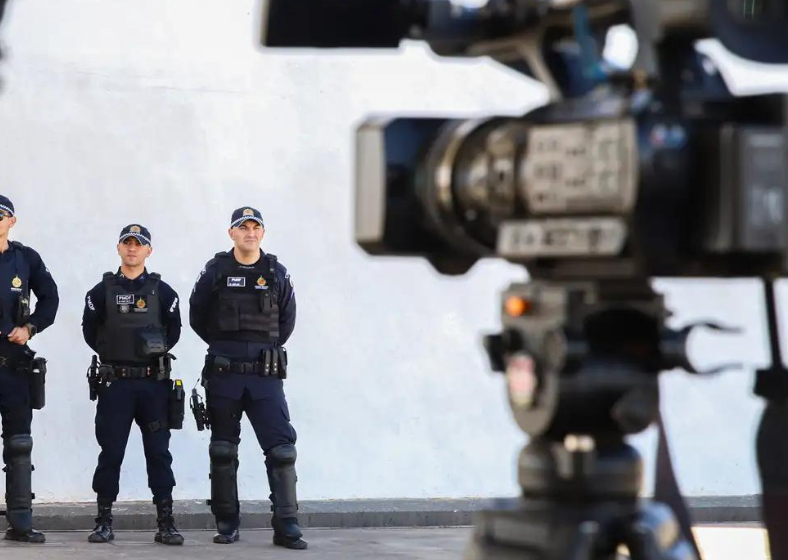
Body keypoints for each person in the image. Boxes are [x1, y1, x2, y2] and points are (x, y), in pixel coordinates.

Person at [189, 206, 305, 549]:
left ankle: (287, 525)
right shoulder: (215, 271)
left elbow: (286, 322)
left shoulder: (276, 273)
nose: (249, 233)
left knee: (282, 450)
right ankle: (227, 524)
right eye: (243, 227)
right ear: (232, 233)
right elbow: (197, 318)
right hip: (224, 374)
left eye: (255, 227)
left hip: (264, 376)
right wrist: (227, 346)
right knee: (223, 450)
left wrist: (258, 349)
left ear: (262, 233)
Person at [81, 224, 183, 545]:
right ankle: (103, 521)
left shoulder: (164, 292)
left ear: (148, 251)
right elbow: (90, 332)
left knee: (158, 453)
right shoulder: (100, 292)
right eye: (127, 243)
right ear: (119, 248)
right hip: (116, 386)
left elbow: (173, 332)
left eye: (139, 244)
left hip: (153, 386)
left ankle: (166, 523)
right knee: (111, 452)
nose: (132, 249)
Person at [0, 195, 59, 543]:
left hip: (14, 367)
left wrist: (30, 327)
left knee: (19, 446)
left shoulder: (26, 259)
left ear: (12, 221)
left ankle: (20, 522)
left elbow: (50, 299)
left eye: (0, 216)